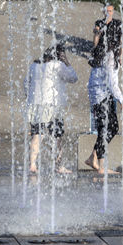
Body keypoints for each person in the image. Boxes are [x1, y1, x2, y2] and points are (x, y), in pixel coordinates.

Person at [85, 5, 123, 174]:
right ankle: (102, 167)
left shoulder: (107, 53)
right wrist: (122, 99)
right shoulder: (108, 56)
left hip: (102, 94)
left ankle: (92, 157)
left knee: (113, 127)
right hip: (101, 95)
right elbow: (112, 82)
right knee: (104, 128)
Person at [24, 43, 78, 174]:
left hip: (35, 105)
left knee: (37, 135)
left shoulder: (34, 66)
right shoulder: (57, 65)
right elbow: (73, 78)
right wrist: (67, 63)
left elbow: (26, 85)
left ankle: (32, 165)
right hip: (52, 106)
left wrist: (32, 98)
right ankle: (58, 166)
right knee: (57, 137)